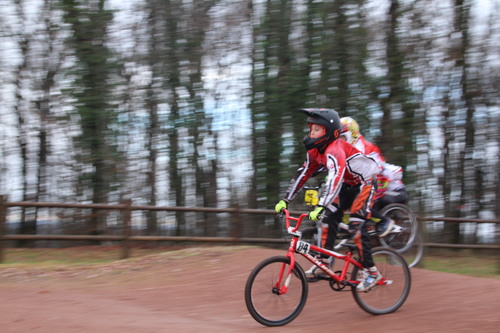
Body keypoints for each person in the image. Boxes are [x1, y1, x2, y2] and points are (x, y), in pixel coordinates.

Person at [275, 108, 386, 292]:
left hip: (365, 184)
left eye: (316, 129)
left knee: (356, 224)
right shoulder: (314, 150)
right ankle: (325, 262)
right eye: (310, 129)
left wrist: (321, 204)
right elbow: (304, 173)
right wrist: (286, 199)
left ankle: (373, 272)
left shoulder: (336, 149)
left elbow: (335, 178)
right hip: (346, 184)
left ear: (329, 131)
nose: (311, 133)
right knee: (328, 217)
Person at [339, 116, 395, 235]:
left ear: (352, 134)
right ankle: (347, 225)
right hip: (354, 182)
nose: (340, 140)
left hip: (375, 181)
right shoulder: (344, 148)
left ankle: (384, 221)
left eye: (342, 137)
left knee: (361, 206)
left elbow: (378, 166)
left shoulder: (366, 147)